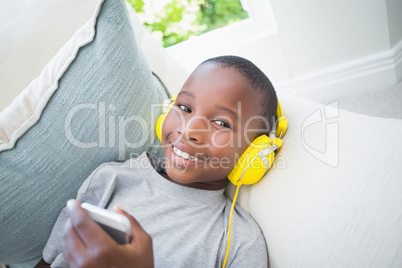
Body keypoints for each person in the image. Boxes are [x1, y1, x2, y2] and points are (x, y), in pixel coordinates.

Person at [37, 55, 278, 267]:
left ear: (254, 153)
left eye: (222, 123)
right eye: (184, 107)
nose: (189, 130)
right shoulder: (110, 178)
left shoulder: (240, 242)